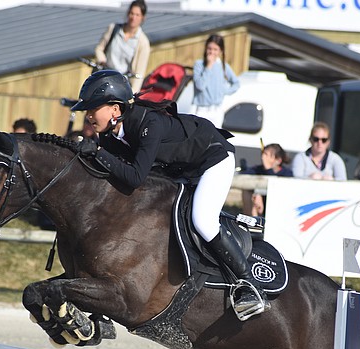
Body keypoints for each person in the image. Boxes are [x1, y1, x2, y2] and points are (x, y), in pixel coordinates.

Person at [71, 70, 268, 321]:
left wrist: (98, 152)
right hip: (182, 169)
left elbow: (135, 177)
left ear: (115, 109)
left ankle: (250, 285)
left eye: (92, 109)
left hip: (213, 160)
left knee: (203, 220)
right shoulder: (109, 136)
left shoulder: (147, 124)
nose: (87, 116)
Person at [94, 0, 150, 93]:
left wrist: (132, 95)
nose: (133, 17)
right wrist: (102, 61)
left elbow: (139, 74)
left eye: (137, 15)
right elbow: (99, 49)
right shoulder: (113, 29)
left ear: (142, 18)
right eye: (132, 13)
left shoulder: (143, 43)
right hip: (104, 76)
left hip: (121, 84)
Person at [191, 34, 240, 128]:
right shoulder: (199, 65)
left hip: (216, 110)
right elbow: (200, 85)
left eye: (215, 49)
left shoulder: (223, 66)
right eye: (209, 48)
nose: (211, 52)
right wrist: (209, 66)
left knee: (215, 139)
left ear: (220, 51)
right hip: (201, 109)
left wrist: (224, 91)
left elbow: (236, 83)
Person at [239, 143, 293, 216]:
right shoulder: (258, 169)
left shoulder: (287, 173)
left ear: (278, 160)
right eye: (263, 154)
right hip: (259, 207)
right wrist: (257, 193)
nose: (263, 157)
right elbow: (245, 176)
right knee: (247, 190)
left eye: (267, 155)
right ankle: (252, 221)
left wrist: (268, 169)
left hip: (277, 208)